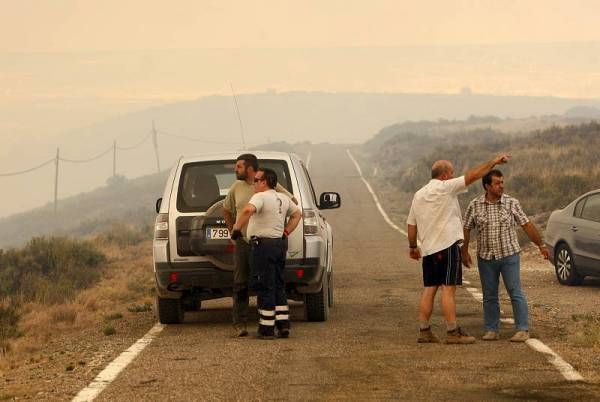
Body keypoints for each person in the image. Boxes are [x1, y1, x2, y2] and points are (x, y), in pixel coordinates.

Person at [407, 154, 509, 344]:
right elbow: (473, 175)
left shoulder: (418, 194)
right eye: (452, 172)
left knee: (429, 288)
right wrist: (493, 162)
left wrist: (413, 246)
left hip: (428, 249)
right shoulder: (446, 187)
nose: (453, 175)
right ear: (445, 175)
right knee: (448, 288)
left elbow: (411, 225)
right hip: (446, 246)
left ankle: (424, 330)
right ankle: (453, 332)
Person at [462, 169, 549, 342]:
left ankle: (523, 329)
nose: (501, 186)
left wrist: (541, 244)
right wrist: (463, 251)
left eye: (502, 182)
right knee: (489, 295)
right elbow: (466, 228)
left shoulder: (511, 203)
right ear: (487, 186)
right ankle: (491, 329)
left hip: (509, 255)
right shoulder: (475, 205)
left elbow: (526, 225)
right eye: (497, 183)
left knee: (515, 291)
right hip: (486, 257)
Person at [223, 154, 296, 337]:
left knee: (265, 284)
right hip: (245, 242)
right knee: (241, 282)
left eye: (238, 166)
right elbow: (226, 209)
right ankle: (241, 324)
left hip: (262, 243)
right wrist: (233, 230)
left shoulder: (266, 190)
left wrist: (282, 228)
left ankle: (267, 326)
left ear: (250, 169)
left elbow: (290, 202)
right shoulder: (236, 187)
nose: (235, 169)